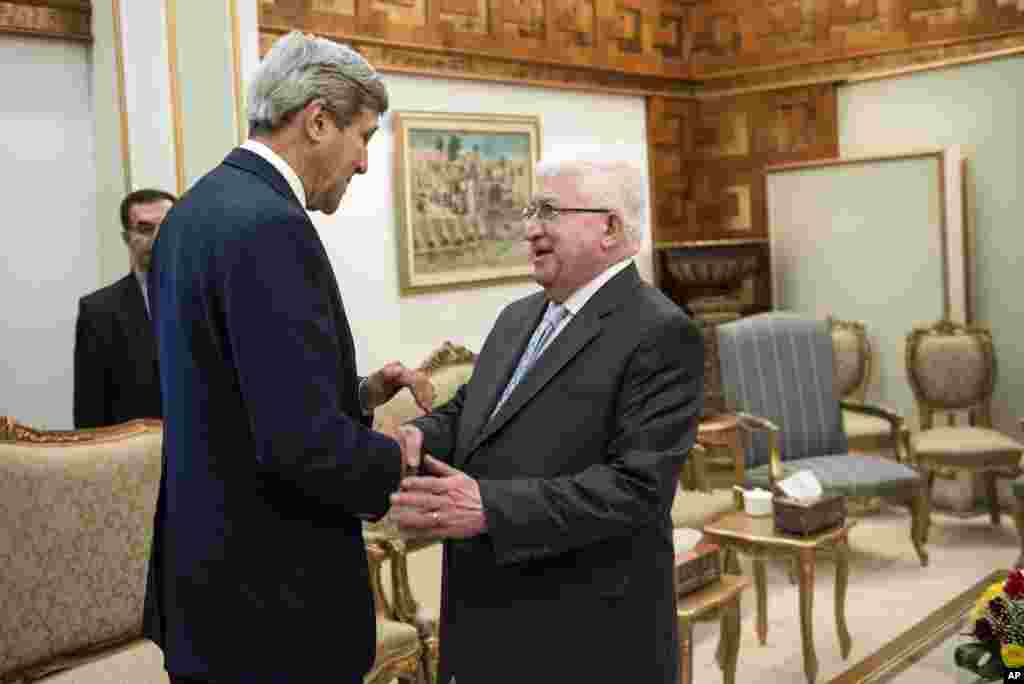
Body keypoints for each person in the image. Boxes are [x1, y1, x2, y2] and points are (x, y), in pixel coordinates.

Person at [143, 31, 430, 684]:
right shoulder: (270, 225)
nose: (362, 164)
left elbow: (227, 391)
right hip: (275, 612)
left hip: (205, 598)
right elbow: (300, 447)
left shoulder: (192, 214)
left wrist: (353, 396)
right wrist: (408, 457)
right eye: (365, 136)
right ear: (317, 121)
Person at [391, 160, 705, 684]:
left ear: (610, 227)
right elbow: (477, 411)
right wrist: (421, 434)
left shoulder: (661, 332)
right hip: (484, 620)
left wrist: (490, 507)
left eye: (551, 211)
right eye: (532, 210)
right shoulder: (518, 316)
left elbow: (636, 489)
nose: (531, 227)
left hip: (583, 638)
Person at [73, 188, 176, 428]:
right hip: (136, 455)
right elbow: (90, 409)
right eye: (145, 228)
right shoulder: (99, 311)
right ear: (127, 237)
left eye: (167, 226)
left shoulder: (208, 296)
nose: (158, 237)